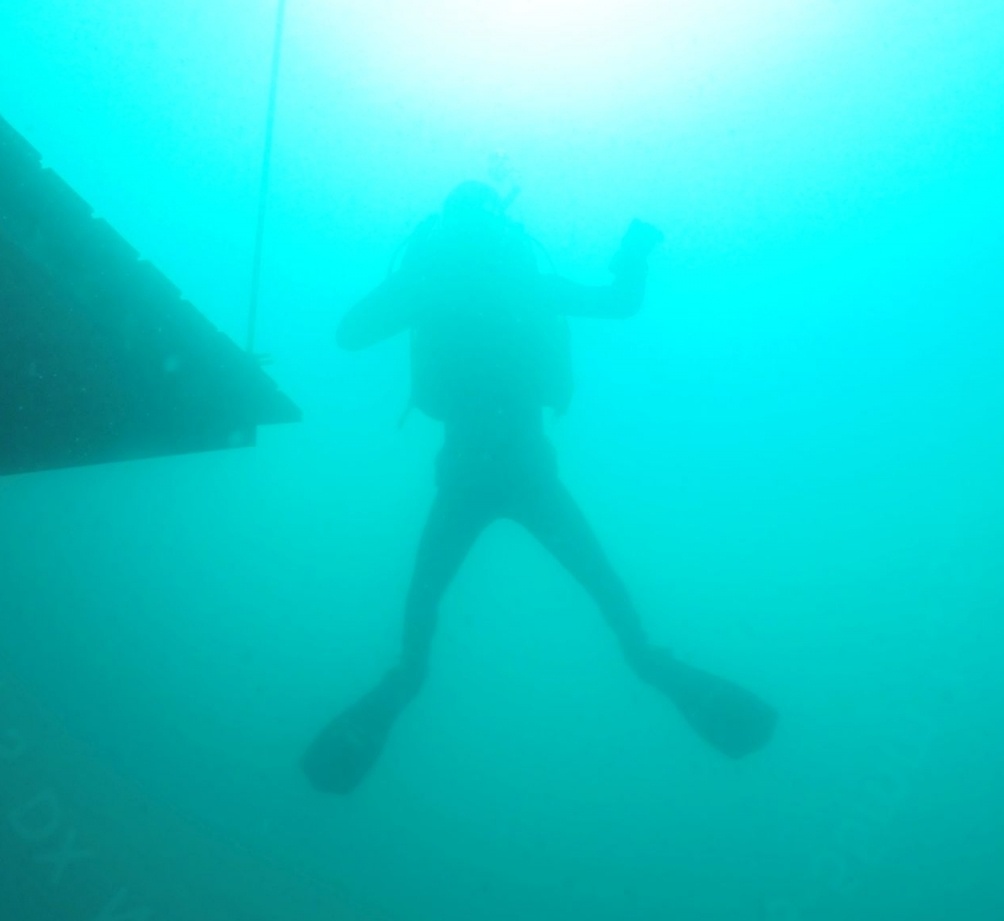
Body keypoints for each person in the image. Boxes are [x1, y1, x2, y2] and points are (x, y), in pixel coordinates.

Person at [302, 182, 775, 794]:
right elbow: (619, 303)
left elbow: (349, 332)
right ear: (506, 233)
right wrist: (633, 252)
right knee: (608, 592)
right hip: (529, 472)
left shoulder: (432, 281)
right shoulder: (522, 281)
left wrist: (413, 280)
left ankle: (407, 676)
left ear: (445, 229)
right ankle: (648, 659)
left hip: (465, 475)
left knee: (423, 610)